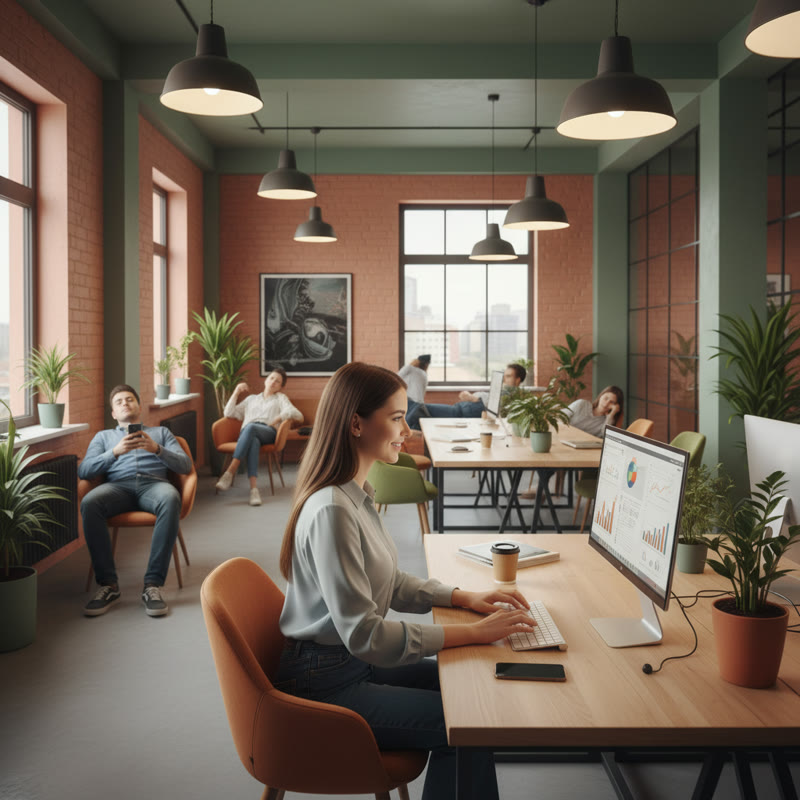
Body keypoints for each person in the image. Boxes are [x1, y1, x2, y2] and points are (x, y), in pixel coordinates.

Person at [275, 362, 535, 800]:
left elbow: (390, 582)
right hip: (326, 680)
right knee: (468, 720)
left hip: (348, 661)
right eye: (397, 417)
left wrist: (463, 597)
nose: (407, 430)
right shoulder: (333, 510)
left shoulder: (356, 494)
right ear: (356, 424)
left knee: (471, 687)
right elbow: (366, 635)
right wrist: (472, 633)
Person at [79, 384, 192, 618]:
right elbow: (85, 471)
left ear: (139, 407)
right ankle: (108, 585)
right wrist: (114, 452)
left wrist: (157, 449)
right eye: (119, 401)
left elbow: (185, 465)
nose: (125, 404)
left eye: (129, 399)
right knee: (90, 502)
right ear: (113, 413)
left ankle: (153, 584)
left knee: (171, 497)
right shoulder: (104, 437)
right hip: (118, 487)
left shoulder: (161, 433)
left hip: (154, 486)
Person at [215, 367, 303, 506]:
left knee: (251, 427)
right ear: (266, 380)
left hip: (268, 432)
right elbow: (229, 413)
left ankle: (230, 471)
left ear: (281, 387)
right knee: (253, 441)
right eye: (271, 378)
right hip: (248, 434)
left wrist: (279, 417)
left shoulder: (280, 398)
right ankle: (254, 490)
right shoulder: (251, 399)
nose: (273, 382)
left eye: (277, 381)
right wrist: (236, 392)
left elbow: (298, 415)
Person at [406, 362, 526, 430]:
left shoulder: (514, 396)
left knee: (419, 408)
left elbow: (494, 408)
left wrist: (473, 398)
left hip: (462, 413)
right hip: (462, 408)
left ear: (518, 380)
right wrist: (470, 396)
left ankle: (404, 429)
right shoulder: (502, 391)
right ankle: (410, 429)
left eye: (508, 376)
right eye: (504, 376)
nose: (504, 379)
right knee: (416, 409)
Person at [398, 354, 430, 425]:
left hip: (409, 401)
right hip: (419, 403)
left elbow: (397, 378)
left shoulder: (409, 368)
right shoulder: (424, 374)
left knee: (406, 423)